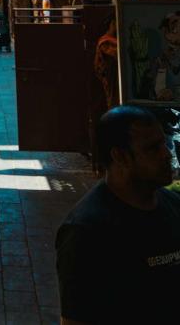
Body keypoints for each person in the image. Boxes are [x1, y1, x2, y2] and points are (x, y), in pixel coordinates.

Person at [56, 105, 180, 325]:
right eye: (153, 148)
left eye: (164, 143)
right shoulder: (87, 232)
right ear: (120, 156)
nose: (167, 154)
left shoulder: (173, 206)